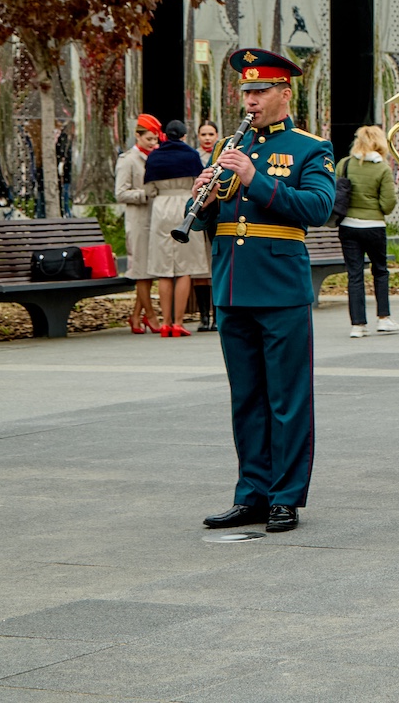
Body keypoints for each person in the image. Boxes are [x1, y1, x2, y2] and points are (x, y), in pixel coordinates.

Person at [192, 48, 335, 535]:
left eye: (259, 91)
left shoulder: (309, 148)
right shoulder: (228, 148)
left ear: (284, 93)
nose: (250, 100)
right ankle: (251, 491)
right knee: (246, 397)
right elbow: (220, 218)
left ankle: (286, 496)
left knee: (287, 398)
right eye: (246, 91)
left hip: (280, 288)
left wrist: (254, 180)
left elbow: (317, 207)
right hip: (233, 285)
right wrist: (206, 200)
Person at [144, 119, 210, 337]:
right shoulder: (191, 155)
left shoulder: (154, 156)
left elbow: (149, 188)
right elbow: (200, 182)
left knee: (164, 269)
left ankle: (165, 323)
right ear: (184, 135)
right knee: (184, 268)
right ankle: (178, 322)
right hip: (183, 204)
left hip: (161, 207)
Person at [338, 125, 399, 338]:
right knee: (380, 271)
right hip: (374, 227)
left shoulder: (344, 164)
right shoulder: (382, 168)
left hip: (348, 226)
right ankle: (383, 318)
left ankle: (357, 324)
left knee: (354, 274)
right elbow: (389, 204)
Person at [115, 115, 162, 333]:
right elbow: (121, 192)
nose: (153, 143)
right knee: (141, 271)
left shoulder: (155, 157)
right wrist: (145, 194)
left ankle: (135, 316)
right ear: (138, 136)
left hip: (154, 219)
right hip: (138, 220)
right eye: (149, 139)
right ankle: (150, 315)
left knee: (148, 271)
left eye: (155, 139)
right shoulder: (128, 160)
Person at [192, 120, 221, 331]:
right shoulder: (193, 157)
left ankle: (217, 315)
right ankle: (203, 316)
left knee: (215, 264)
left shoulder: (223, 153)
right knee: (200, 267)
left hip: (216, 214)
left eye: (211, 134)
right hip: (197, 211)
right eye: (204, 134)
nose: (208, 138)